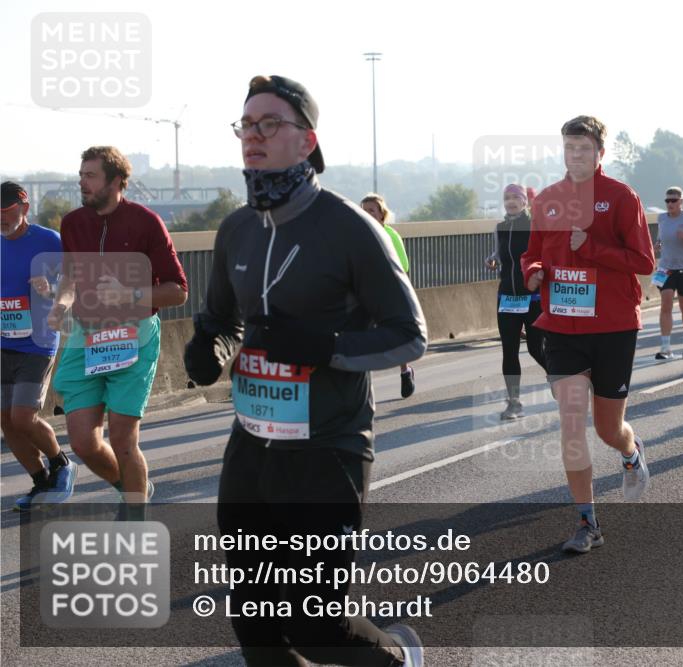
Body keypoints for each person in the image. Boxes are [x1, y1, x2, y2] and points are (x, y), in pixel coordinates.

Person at [183, 74, 427, 666]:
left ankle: (400, 658)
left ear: (306, 139)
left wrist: (323, 346)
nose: (253, 136)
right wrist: (209, 349)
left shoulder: (349, 227)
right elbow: (222, 319)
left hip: (328, 449)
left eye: (270, 124)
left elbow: (409, 336)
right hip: (252, 444)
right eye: (246, 125)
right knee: (255, 623)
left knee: (316, 627)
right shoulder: (237, 227)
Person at [521, 115, 654, 553]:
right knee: (571, 422)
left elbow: (643, 262)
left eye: (583, 148)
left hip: (614, 325)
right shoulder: (547, 199)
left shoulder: (620, 197)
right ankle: (587, 521)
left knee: (606, 429)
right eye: (568, 147)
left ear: (600, 152)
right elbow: (533, 252)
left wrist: (591, 247)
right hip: (561, 325)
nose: (575, 155)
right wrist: (535, 272)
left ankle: (630, 451)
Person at [48, 146, 188, 520]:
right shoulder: (73, 223)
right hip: (87, 336)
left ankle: (134, 514)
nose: (82, 182)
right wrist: (61, 303)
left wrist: (131, 294)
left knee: (124, 438)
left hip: (134, 337)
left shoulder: (146, 222)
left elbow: (178, 290)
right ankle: (132, 487)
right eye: (80, 175)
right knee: (82, 441)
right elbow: (69, 276)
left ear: (116, 182)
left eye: (90, 175)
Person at [1, 181, 77, 511]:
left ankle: (61, 463)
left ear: (24, 209)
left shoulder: (49, 241)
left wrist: (53, 296)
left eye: (7, 212)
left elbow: (72, 284)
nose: (1, 219)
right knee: (6, 420)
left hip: (38, 341)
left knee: (22, 416)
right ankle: (40, 482)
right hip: (4, 341)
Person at [484, 183, 547, 420]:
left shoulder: (533, 226)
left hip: (532, 297)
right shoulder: (500, 228)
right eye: (507, 198)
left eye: (515, 198)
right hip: (507, 297)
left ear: (524, 201)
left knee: (535, 348)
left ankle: (559, 381)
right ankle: (514, 403)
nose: (511, 201)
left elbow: (544, 254)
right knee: (509, 351)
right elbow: (499, 254)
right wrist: (491, 260)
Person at [360, 193, 417, 399]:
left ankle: (405, 371)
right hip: (364, 294)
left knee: (396, 336)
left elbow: (404, 265)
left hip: (390, 292)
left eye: (371, 210)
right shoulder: (356, 234)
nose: (367, 214)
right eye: (364, 210)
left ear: (382, 215)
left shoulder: (391, 235)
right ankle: (363, 386)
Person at [653, 187, 683, 361]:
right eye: (667, 201)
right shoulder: (661, 218)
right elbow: (660, 239)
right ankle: (665, 347)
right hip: (665, 268)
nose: (670, 203)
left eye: (674, 200)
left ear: (681, 201)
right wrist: (657, 246)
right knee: (666, 304)